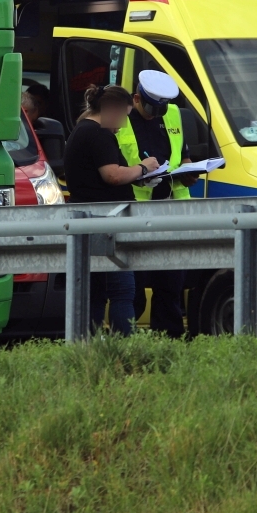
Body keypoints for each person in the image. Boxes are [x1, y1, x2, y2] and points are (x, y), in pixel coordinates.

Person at [62, 84, 159, 335]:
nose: (124, 124)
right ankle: (124, 349)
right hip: (107, 223)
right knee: (122, 292)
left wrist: (136, 175)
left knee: (96, 293)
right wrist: (144, 167)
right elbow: (112, 176)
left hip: (89, 222)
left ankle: (89, 347)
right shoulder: (99, 134)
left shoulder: (82, 131)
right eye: (125, 116)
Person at [119, 70, 193, 337]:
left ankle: (169, 340)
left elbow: (182, 156)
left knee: (171, 284)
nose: (156, 113)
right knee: (133, 286)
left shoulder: (172, 113)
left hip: (170, 210)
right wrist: (138, 174)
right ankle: (125, 340)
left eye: (161, 108)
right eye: (151, 107)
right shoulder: (122, 118)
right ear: (136, 98)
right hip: (134, 213)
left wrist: (189, 171)